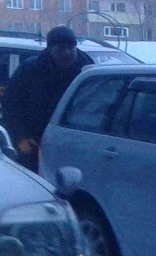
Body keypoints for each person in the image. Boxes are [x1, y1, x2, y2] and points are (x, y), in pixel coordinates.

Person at [0, 25, 93, 171]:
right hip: (35, 142)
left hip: (75, 141)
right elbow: (11, 104)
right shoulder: (32, 70)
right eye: (61, 49)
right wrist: (21, 137)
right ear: (50, 49)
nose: (67, 53)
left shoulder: (87, 72)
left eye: (71, 48)